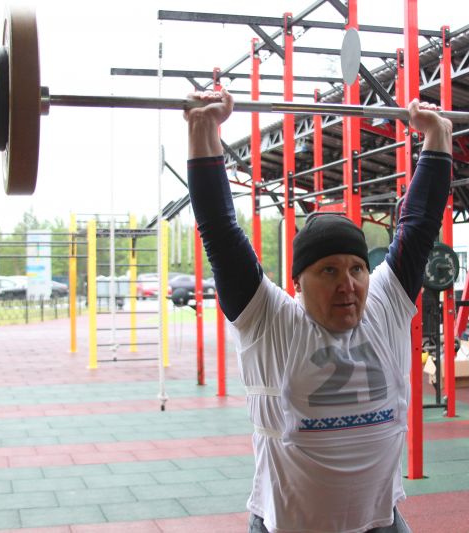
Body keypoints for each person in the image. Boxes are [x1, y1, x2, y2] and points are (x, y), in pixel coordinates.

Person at [186, 88, 452, 533]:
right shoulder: (271, 321)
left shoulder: (384, 305)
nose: (348, 285)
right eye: (329, 271)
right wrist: (203, 128)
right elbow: (219, 230)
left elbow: (420, 224)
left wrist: (437, 135)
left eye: (356, 269)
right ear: (298, 283)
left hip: (379, 523)